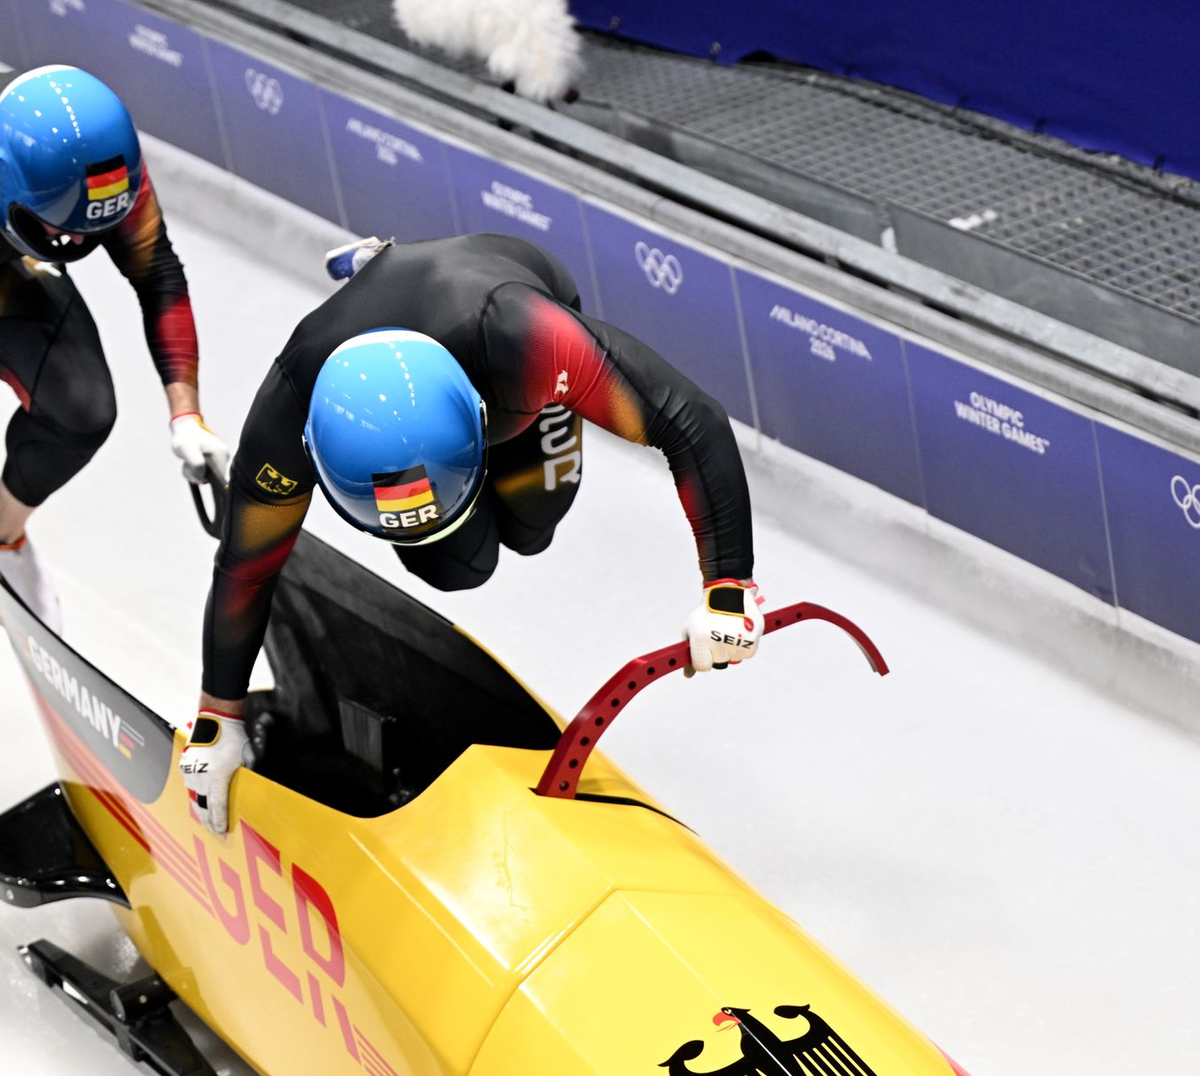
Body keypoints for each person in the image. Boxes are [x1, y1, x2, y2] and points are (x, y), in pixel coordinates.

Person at [179, 232, 764, 833]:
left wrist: (728, 586)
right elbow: (247, 564)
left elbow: (690, 418)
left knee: (536, 524)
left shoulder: (529, 342)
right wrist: (217, 719)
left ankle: (385, 263)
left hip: (511, 349)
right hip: (451, 396)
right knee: (457, 567)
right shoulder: (287, 413)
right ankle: (380, 267)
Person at [0, 65, 228, 630]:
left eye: (90, 227)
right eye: (61, 227)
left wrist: (187, 416)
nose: (78, 243)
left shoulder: (104, 173)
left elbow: (160, 279)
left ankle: (2, 540)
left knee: (81, 410)